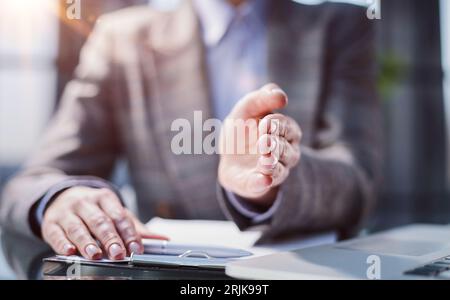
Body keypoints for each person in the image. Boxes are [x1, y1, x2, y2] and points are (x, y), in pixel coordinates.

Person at [0, 0, 381, 260]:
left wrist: (272, 182)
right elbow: (33, 180)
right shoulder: (122, 39)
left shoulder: (339, 26)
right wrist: (61, 198)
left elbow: (357, 181)